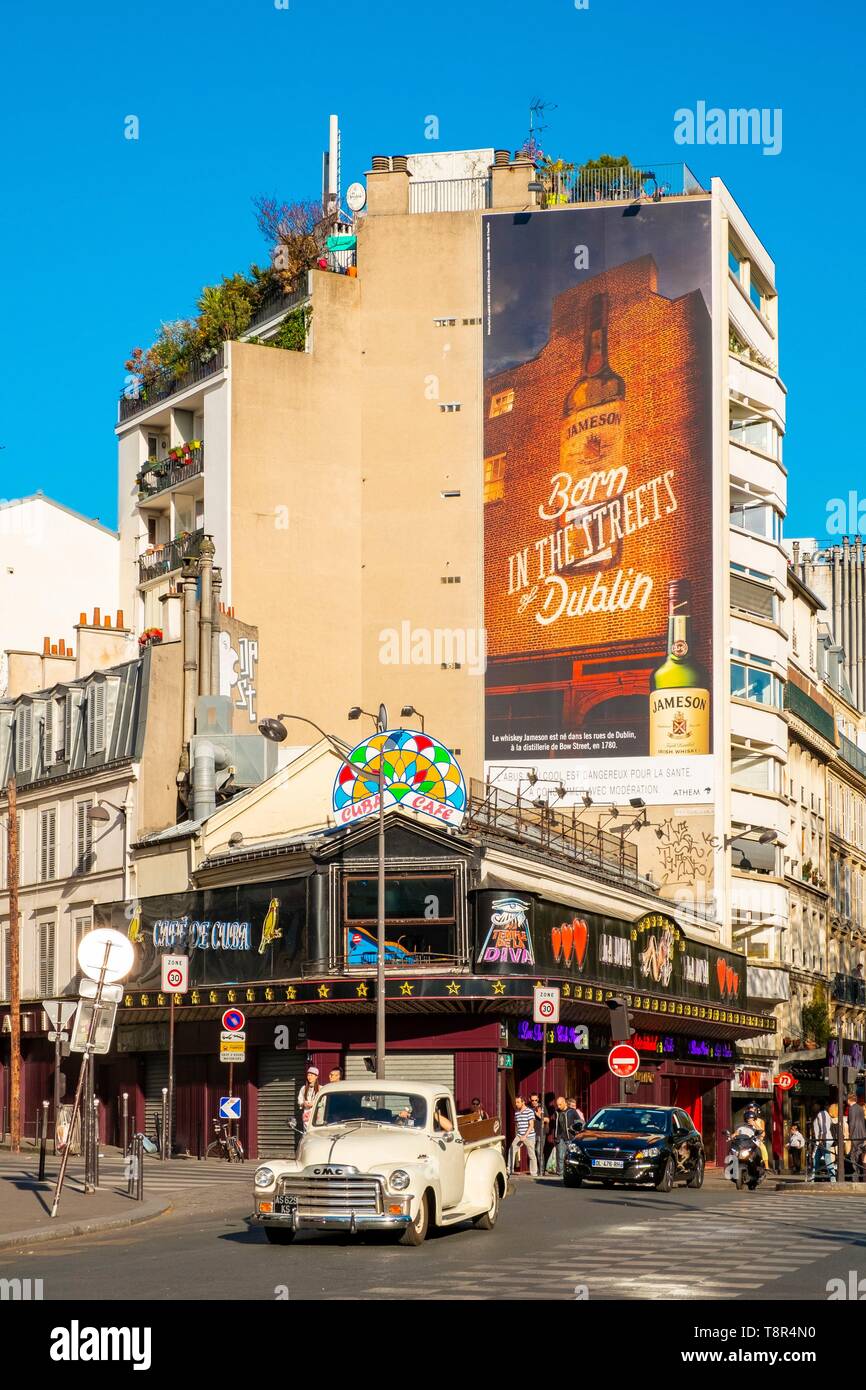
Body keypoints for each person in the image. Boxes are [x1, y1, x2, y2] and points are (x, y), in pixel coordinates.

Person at [508, 1097, 538, 1177]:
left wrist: (525, 1136)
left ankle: (534, 1173)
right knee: (512, 1149)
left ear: (523, 1102)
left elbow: (531, 1125)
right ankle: (509, 1170)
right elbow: (517, 1124)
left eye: (518, 1102)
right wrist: (518, 1134)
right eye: (515, 1102)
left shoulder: (529, 1111)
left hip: (529, 1136)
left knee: (531, 1154)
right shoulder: (517, 1112)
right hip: (519, 1135)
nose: (516, 1104)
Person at [553, 1096, 581, 1175]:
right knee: (560, 1156)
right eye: (557, 1105)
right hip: (560, 1137)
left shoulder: (572, 1111)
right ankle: (560, 1173)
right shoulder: (557, 1112)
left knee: (571, 1156)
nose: (558, 1106)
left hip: (570, 1137)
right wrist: (555, 1137)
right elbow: (556, 1126)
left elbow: (579, 1123)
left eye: (560, 1104)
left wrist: (574, 1129)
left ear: (565, 1103)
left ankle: (572, 1173)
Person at [810, 1102, 836, 1182]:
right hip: (822, 1140)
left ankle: (833, 1179)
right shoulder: (824, 1114)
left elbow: (824, 1128)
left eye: (814, 1105)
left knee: (827, 1159)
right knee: (816, 1159)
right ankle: (813, 1177)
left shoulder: (822, 1114)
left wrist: (821, 1140)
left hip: (824, 1140)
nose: (813, 1107)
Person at [848, 1092, 866, 1183]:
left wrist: (850, 1135)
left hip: (855, 1135)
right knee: (860, 1156)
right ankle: (862, 1177)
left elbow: (852, 1123)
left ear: (849, 1099)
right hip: (862, 1135)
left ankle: (855, 1177)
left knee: (854, 1156)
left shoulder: (851, 1109)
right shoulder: (860, 1108)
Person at [529, 1092, 549, 1174]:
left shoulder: (542, 1107)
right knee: (532, 1152)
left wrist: (539, 1115)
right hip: (531, 1133)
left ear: (538, 1099)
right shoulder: (528, 1108)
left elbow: (547, 1120)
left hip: (541, 1133)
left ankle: (541, 1170)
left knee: (539, 1151)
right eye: (532, 1100)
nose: (534, 1102)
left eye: (536, 1100)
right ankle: (535, 1170)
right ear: (530, 1100)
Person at [298, 1067, 320, 1132]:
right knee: (306, 1133)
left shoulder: (321, 1088)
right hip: (306, 1116)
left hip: (317, 1117)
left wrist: (314, 1104)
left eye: (311, 1075)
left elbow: (323, 1102)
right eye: (308, 1075)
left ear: (316, 1076)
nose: (309, 1077)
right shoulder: (303, 1088)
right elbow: (300, 1101)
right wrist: (304, 1104)